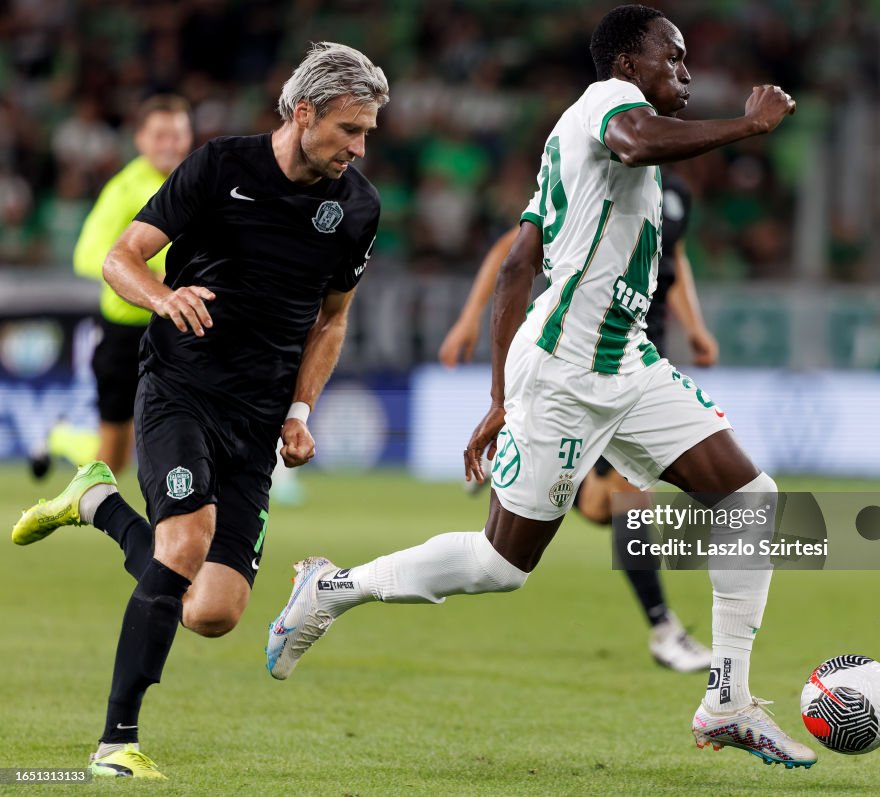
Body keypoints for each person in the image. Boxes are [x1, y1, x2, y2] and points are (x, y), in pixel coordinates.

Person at [268, 5, 815, 769]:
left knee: (751, 499)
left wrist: (496, 398)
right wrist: (749, 126)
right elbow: (633, 141)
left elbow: (519, 264)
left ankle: (727, 698)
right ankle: (333, 587)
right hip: (564, 374)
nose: (685, 74)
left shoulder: (572, 141)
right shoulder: (606, 111)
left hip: (625, 363)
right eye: (673, 58)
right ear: (627, 65)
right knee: (502, 567)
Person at [11, 42, 388, 779]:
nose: (360, 146)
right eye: (350, 129)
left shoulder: (357, 207)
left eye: (368, 131)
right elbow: (123, 255)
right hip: (180, 384)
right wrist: (163, 295)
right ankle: (115, 742)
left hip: (259, 414)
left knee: (210, 611)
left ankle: (94, 500)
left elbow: (333, 319)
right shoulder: (220, 167)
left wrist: (302, 408)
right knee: (183, 544)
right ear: (304, 113)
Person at [438, 168, 718, 673]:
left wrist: (695, 328)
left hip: (638, 360)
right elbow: (513, 250)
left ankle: (517, 460)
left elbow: (672, 260)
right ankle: (663, 629)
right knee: (625, 502)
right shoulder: (599, 170)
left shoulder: (675, 191)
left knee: (600, 505)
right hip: (585, 362)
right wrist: (467, 320)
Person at [29, 96, 193, 481]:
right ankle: (61, 438)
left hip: (177, 327)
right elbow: (87, 256)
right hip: (127, 333)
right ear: (139, 140)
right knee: (112, 460)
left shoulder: (193, 180)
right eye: (160, 135)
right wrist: (149, 273)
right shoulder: (125, 189)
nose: (170, 143)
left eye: (178, 134)